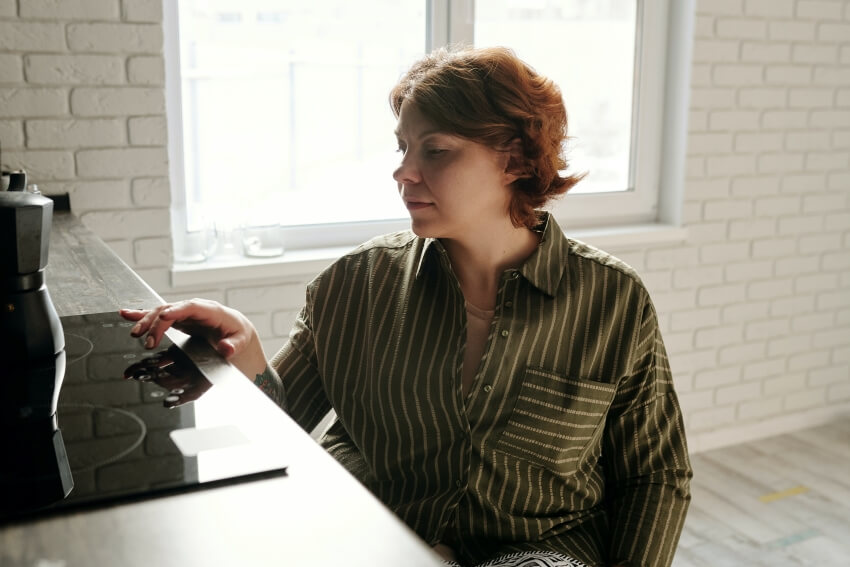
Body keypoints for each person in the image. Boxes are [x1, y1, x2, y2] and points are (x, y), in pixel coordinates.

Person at [122, 46, 691, 567]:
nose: (404, 172)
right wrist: (244, 348)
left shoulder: (613, 300)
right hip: (381, 540)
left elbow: (655, 474)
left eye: (436, 150)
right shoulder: (354, 285)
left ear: (515, 159)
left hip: (542, 551)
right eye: (403, 148)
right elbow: (281, 428)